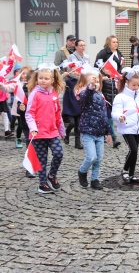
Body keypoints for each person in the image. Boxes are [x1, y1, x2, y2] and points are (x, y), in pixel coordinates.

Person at [26, 63, 66, 194]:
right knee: (42, 160)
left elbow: (57, 114)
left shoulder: (54, 94)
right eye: (40, 78)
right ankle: (42, 184)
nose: (43, 80)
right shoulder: (35, 94)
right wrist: (33, 128)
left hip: (52, 132)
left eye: (46, 78)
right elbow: (29, 113)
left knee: (59, 153)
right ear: (37, 79)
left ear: (52, 80)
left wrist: (62, 130)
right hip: (38, 133)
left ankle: (51, 175)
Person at [75, 67, 112, 190]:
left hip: (99, 132)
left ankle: (94, 179)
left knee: (99, 158)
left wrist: (109, 132)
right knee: (91, 157)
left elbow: (104, 115)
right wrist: (90, 87)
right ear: (85, 83)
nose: (95, 84)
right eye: (91, 81)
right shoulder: (82, 93)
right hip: (88, 131)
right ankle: (82, 171)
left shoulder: (101, 96)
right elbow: (86, 96)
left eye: (96, 82)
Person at [94, 35, 124, 148]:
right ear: (108, 43)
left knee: (112, 111)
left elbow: (120, 68)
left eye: (117, 42)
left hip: (115, 84)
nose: (116, 44)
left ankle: (107, 134)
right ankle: (113, 136)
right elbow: (96, 68)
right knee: (107, 112)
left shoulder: (119, 54)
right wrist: (103, 75)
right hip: (106, 84)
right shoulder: (102, 53)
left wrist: (121, 75)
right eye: (113, 42)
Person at [62, 63, 83, 149]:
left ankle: (77, 143)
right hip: (69, 104)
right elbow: (59, 82)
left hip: (78, 104)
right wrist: (63, 75)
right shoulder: (67, 80)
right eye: (73, 70)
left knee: (78, 125)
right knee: (72, 123)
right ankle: (66, 134)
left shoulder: (81, 81)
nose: (75, 72)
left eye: (76, 70)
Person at [0, 55, 15, 138]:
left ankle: (7, 130)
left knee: (4, 113)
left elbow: (8, 68)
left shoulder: (2, 73)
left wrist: (11, 60)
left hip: (2, 98)